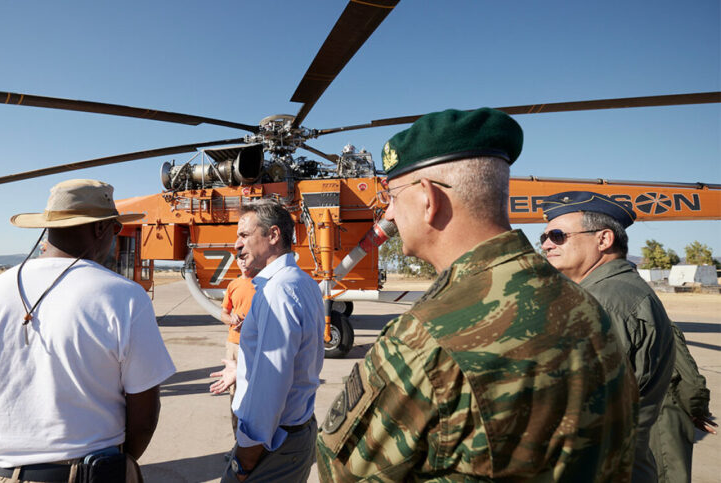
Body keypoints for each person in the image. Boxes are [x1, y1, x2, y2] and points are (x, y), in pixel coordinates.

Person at [316, 108, 638, 481]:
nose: (389, 213)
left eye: (392, 196)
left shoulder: (427, 338)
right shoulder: (585, 307)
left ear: (427, 198)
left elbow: (340, 473)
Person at [0, 179, 176, 482]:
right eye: (116, 228)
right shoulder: (124, 296)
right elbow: (143, 419)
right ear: (100, 229)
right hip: (82, 474)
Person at [540, 191, 676, 482]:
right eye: (544, 237)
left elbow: (576, 408)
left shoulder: (607, 302)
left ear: (603, 240)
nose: (547, 244)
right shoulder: (612, 293)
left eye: (558, 235)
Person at [210, 199, 325, 482]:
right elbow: (294, 358)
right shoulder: (302, 282)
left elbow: (271, 385)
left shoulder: (278, 291)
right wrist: (245, 369)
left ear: (273, 235)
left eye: (244, 235)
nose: (237, 244)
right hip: (291, 435)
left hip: (272, 443)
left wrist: (245, 461)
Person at [649, 325, 715, 483]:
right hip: (661, 423)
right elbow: (690, 384)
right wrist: (697, 410)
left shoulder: (592, 318)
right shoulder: (658, 323)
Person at [219, 256, 260, 436]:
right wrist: (231, 319)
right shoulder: (233, 285)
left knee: (255, 390)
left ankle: (254, 439)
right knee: (234, 392)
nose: (244, 263)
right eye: (240, 260)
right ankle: (237, 440)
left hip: (257, 345)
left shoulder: (261, 285)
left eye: (246, 259)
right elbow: (224, 313)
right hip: (234, 344)